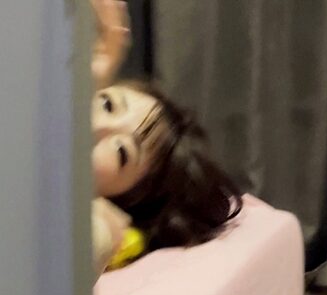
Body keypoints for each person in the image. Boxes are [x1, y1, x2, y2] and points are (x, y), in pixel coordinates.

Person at [90, 0, 242, 273]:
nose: (97, 125)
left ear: (120, 202)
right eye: (107, 104)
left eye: (122, 151)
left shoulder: (98, 228)